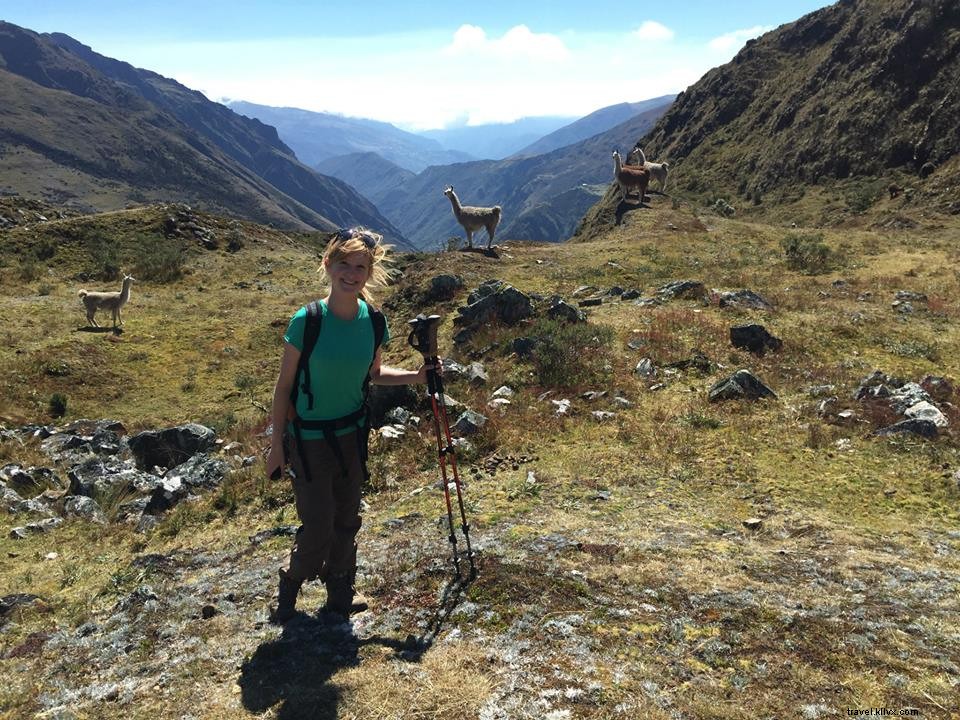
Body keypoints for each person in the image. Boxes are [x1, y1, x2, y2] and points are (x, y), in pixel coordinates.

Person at [265, 226, 436, 623]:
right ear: (328, 265)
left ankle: (340, 590)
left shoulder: (373, 321)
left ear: (370, 272)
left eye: (361, 266)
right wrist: (277, 446)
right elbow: (283, 387)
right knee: (319, 524)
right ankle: (291, 582)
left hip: (352, 435)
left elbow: (374, 374)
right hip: (308, 439)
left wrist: (415, 377)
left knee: (347, 518)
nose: (352, 273)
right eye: (344, 264)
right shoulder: (306, 321)